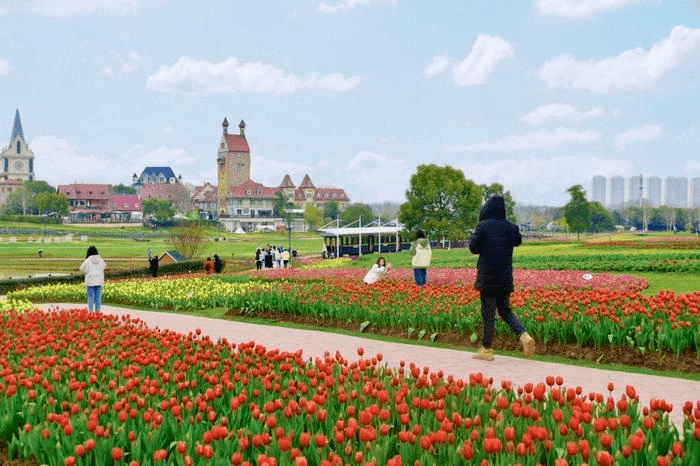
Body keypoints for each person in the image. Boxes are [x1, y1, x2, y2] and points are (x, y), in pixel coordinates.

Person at [469, 195, 535, 361]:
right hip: (505, 278)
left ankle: (487, 349)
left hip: (487, 278)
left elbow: (473, 248)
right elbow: (518, 241)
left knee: (488, 313)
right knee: (505, 310)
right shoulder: (511, 228)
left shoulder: (483, 226)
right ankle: (524, 335)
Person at [79, 245, 106, 313]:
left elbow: (82, 269)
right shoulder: (101, 260)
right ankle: (98, 311)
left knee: (90, 297)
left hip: (90, 281)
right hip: (99, 280)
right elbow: (104, 266)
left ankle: (90, 311)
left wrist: (88, 272)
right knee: (98, 297)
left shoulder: (88, 261)